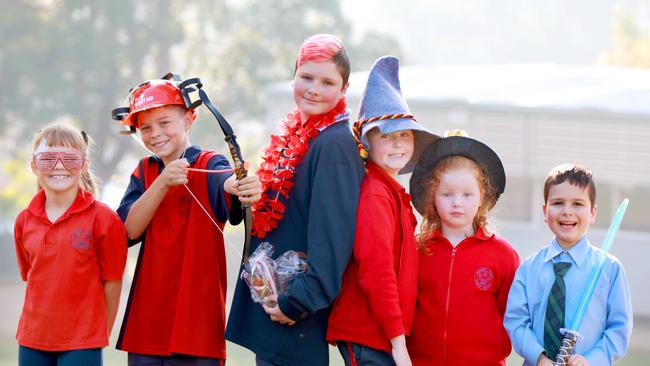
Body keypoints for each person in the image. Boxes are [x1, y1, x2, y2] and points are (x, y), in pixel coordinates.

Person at [225, 34, 365, 366]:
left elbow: (334, 240)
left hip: (295, 311)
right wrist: (239, 193)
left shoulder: (334, 144)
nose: (314, 88)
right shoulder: (295, 134)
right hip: (274, 299)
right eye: (306, 77)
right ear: (294, 77)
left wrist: (296, 302)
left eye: (328, 82)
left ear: (344, 90)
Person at [114, 77, 262, 365]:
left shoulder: (208, 162)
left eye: (164, 122)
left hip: (196, 323)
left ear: (189, 118)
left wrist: (241, 185)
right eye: (145, 127)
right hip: (147, 322)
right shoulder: (144, 171)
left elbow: (227, 180)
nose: (155, 133)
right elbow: (127, 231)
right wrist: (162, 184)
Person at [326, 55, 437, 366]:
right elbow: (377, 271)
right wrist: (397, 341)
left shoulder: (394, 193)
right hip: (370, 334)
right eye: (386, 136)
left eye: (405, 135)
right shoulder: (375, 194)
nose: (398, 143)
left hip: (382, 335)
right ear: (366, 143)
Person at [13, 123, 127, 366]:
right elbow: (32, 277)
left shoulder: (104, 219)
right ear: (34, 165)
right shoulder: (23, 220)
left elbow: (113, 283)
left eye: (70, 158)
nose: (58, 166)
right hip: (32, 339)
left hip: (82, 343)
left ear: (84, 164)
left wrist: (99, 334)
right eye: (47, 159)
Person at [406, 130, 520, 366]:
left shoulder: (502, 255)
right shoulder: (418, 250)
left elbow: (514, 315)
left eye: (467, 194)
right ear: (432, 197)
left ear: (482, 197)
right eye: (447, 194)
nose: (457, 202)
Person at [504, 163, 632, 366]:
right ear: (545, 211)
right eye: (558, 203)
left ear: (593, 212)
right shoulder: (529, 269)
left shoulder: (610, 269)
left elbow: (619, 330)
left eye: (578, 204)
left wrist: (591, 360)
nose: (567, 211)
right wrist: (539, 357)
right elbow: (516, 320)